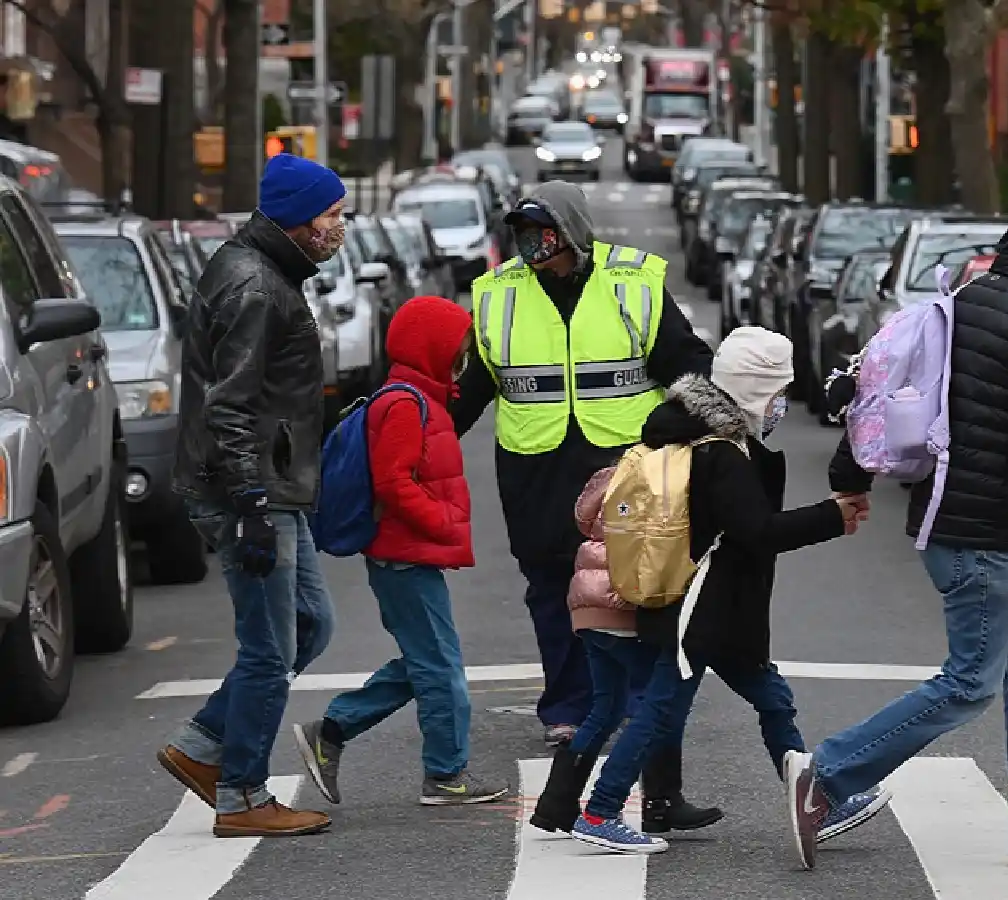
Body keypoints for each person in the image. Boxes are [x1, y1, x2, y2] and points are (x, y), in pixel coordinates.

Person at [789, 194, 1008, 871]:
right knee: (970, 682)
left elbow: (882, 387)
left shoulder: (966, 303)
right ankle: (828, 776)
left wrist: (850, 477)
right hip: (986, 532)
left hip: (962, 524)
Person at [452, 180, 718, 830]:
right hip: (534, 466)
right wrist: (417, 445)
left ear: (572, 232)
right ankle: (568, 708)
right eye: (522, 235)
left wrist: (711, 430)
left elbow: (687, 367)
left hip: (624, 467)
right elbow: (470, 389)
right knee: (551, 588)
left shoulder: (634, 283)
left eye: (544, 234)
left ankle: (625, 702)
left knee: (631, 588)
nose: (533, 248)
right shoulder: (495, 296)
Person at [570, 327, 891, 855]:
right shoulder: (719, 453)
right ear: (754, 389)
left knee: (772, 700)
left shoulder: (693, 437)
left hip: (716, 610)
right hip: (700, 611)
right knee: (660, 709)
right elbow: (755, 531)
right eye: (777, 392)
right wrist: (831, 516)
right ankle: (601, 811)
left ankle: (821, 800)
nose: (783, 403)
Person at [159, 153, 345, 837]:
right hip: (249, 489)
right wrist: (253, 509)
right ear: (298, 221)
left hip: (269, 483)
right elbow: (229, 407)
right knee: (270, 648)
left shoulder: (267, 273)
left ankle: (203, 745)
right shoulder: (256, 288)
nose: (339, 226)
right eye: (331, 215)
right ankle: (241, 795)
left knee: (310, 626)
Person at [292, 295, 509, 808]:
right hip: (403, 555)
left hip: (407, 554)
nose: (463, 355)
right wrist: (442, 521)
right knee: (440, 667)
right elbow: (394, 482)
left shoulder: (421, 399)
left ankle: (333, 729)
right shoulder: (404, 405)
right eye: (456, 346)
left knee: (425, 660)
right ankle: (445, 773)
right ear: (431, 346)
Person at [530, 468, 721, 836]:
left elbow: (584, 517)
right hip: (623, 605)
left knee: (606, 707)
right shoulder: (666, 476)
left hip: (588, 600)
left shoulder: (613, 473)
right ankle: (619, 806)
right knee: (657, 704)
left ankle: (556, 803)